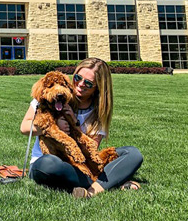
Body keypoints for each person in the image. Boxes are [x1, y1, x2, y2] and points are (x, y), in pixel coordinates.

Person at [19, 57, 143, 198]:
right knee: (48, 164)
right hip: (49, 163)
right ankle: (112, 181)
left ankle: (91, 191)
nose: (80, 84)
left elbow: (90, 154)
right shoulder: (48, 94)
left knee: (133, 154)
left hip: (80, 167)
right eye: (78, 77)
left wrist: (74, 123)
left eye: (88, 83)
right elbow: (24, 127)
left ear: (98, 87)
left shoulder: (98, 113)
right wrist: (53, 126)